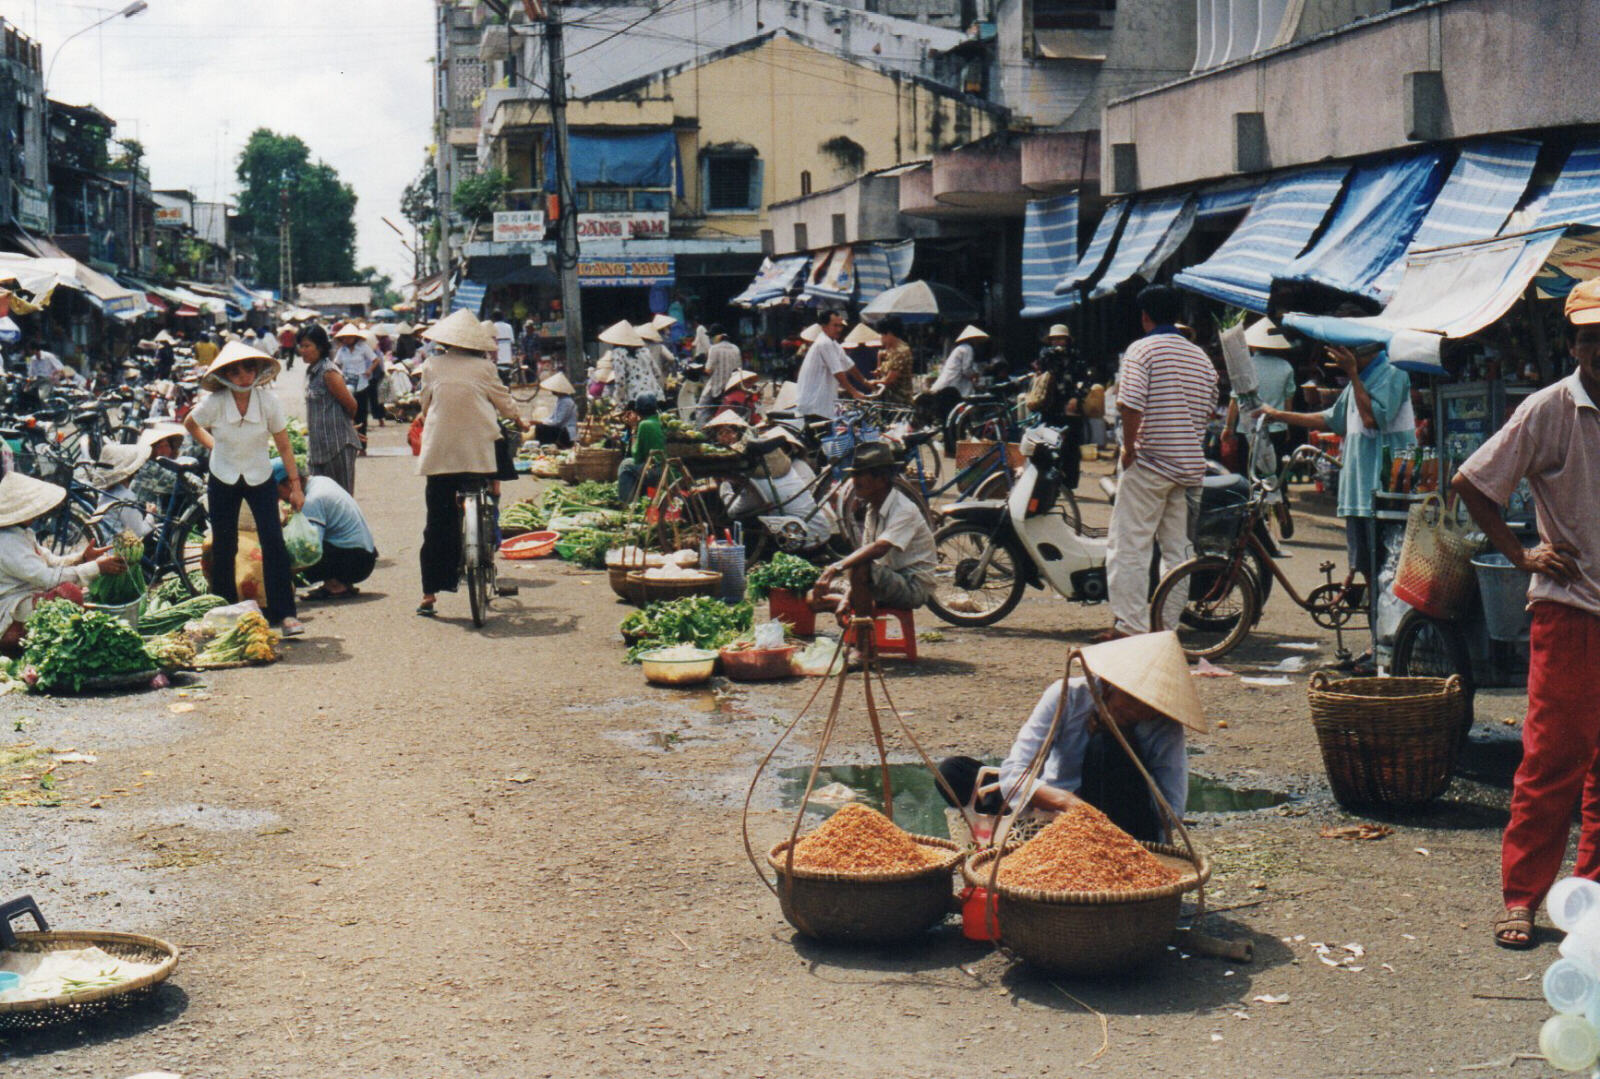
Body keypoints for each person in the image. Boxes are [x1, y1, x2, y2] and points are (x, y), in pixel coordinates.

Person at [1451, 279, 1600, 949]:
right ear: (1574, 344)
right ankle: (1522, 897)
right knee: (1549, 760)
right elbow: (1474, 483)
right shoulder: (1551, 408)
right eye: (1591, 337)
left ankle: (1589, 896)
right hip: (1569, 610)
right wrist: (1524, 554)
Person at [937, 631, 1205, 843]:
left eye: (1151, 706)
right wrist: (1066, 803)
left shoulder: (1164, 726)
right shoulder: (1068, 695)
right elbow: (1015, 772)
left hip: (1118, 825)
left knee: (1106, 746)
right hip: (1050, 807)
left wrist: (1126, 749)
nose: (1140, 711)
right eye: (1134, 699)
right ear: (1111, 684)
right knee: (953, 771)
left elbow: (1172, 813)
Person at [1258, 334, 1416, 662]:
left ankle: (1388, 647)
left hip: (1382, 490)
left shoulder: (1393, 375)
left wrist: (1355, 376)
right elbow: (1331, 419)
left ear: (1364, 349)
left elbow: (1374, 419)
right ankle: (1379, 644)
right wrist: (1278, 415)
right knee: (1368, 570)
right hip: (1359, 491)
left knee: (1385, 573)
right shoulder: (1361, 381)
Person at [1102, 285, 1219, 641]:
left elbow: (1130, 403)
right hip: (1187, 468)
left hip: (1150, 463)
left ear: (1145, 316)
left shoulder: (1143, 349)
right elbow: (1209, 409)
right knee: (1178, 551)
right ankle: (1166, 627)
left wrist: (1128, 447)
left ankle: (1131, 627)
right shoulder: (1201, 358)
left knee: (1130, 546)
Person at [182, 340, 305, 636]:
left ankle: (285, 614)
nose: (243, 376)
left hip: (259, 476)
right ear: (225, 375)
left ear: (258, 371)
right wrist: (214, 447)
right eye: (235, 371)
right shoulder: (214, 402)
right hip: (223, 476)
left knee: (273, 542)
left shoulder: (268, 402)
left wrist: (296, 486)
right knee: (225, 545)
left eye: (249, 369)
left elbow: (284, 445)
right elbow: (190, 422)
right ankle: (226, 612)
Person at [414, 310, 526, 618]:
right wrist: (519, 419)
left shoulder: (431, 365)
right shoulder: (486, 367)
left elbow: (425, 403)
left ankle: (429, 595)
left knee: (437, 522)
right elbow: (504, 402)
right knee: (487, 489)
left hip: (440, 452)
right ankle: (487, 539)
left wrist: (427, 416)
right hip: (478, 452)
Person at [0, 471, 129, 656]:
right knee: (69, 593)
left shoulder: (22, 534)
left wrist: (82, 558)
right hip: (10, 610)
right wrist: (97, 567)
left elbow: (51, 562)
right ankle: (22, 641)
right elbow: (48, 579)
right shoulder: (7, 543)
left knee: (77, 591)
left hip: (27, 597)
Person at [808, 441, 935, 623]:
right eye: (854, 475)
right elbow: (867, 556)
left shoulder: (904, 509)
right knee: (812, 597)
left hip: (911, 586)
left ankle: (863, 640)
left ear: (881, 479)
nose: (854, 481)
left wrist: (834, 567)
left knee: (859, 566)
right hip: (883, 578)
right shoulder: (872, 508)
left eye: (860, 475)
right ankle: (860, 608)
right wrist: (845, 597)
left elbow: (879, 549)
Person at [271, 458, 376, 600]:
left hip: (355, 562)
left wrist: (281, 575)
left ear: (290, 483)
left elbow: (310, 550)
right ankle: (337, 582)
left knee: (289, 557)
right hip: (364, 554)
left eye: (277, 491)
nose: (277, 497)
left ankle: (336, 584)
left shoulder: (312, 499)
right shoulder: (320, 481)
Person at [298, 325, 363, 495]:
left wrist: (344, 426)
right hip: (318, 448)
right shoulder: (312, 372)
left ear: (320, 347)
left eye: (307, 346)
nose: (302, 350)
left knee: (341, 498)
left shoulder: (328, 372)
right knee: (319, 498)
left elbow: (352, 405)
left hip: (337, 447)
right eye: (301, 346)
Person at [1224, 317, 1298, 463]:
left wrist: (1228, 427)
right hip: (1277, 427)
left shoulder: (1243, 366)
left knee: (1249, 473)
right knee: (1275, 472)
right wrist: (1287, 424)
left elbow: (1235, 399)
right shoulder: (1286, 366)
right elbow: (1288, 400)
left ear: (1251, 345)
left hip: (1247, 429)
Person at [796, 312, 871, 423]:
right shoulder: (824, 343)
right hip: (815, 405)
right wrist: (853, 392)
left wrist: (865, 382)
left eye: (840, 325)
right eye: (835, 325)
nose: (839, 329)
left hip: (823, 405)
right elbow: (837, 372)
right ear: (824, 326)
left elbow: (849, 365)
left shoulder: (834, 344)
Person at [90, 443, 154, 540]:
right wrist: (151, 514)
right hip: (116, 550)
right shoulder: (126, 496)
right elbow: (139, 532)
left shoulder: (105, 494)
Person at [333, 324, 380, 447]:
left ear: (355, 337)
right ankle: (349, 443)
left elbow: (376, 360)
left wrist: (369, 370)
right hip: (346, 384)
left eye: (349, 337)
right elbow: (335, 364)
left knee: (361, 415)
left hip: (362, 384)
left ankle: (362, 446)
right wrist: (339, 375)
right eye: (344, 338)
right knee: (347, 414)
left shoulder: (363, 347)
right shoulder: (342, 351)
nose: (347, 340)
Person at [617, 394, 666, 504]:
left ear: (638, 411)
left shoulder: (644, 425)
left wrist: (634, 429)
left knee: (626, 464)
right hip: (666, 467)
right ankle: (638, 500)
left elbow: (637, 456)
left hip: (657, 471)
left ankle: (625, 503)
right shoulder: (660, 421)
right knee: (634, 466)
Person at [599, 321, 661, 407]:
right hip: (654, 395)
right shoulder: (645, 351)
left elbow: (620, 380)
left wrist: (619, 400)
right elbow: (658, 373)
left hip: (635, 397)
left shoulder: (618, 354)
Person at [698, 325, 742, 413]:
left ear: (718, 336)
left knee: (702, 407)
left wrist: (700, 370)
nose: (711, 339)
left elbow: (708, 370)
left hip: (718, 388)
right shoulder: (735, 348)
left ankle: (701, 426)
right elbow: (739, 368)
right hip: (734, 386)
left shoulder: (714, 349)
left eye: (712, 336)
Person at [873, 317, 914, 406]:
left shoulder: (900, 352)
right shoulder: (890, 351)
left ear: (890, 333)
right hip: (888, 399)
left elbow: (889, 380)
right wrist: (879, 358)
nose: (881, 338)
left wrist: (870, 382)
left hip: (899, 400)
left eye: (882, 334)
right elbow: (881, 373)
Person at [533, 372, 579, 448]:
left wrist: (541, 422)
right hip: (562, 429)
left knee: (541, 428)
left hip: (566, 431)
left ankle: (546, 448)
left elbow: (558, 421)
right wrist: (542, 421)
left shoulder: (566, 402)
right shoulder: (561, 400)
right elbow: (552, 417)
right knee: (540, 426)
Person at [491, 309, 516, 383]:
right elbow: (512, 342)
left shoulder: (492, 327)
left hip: (497, 358)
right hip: (507, 358)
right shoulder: (509, 327)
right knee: (506, 380)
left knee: (498, 380)